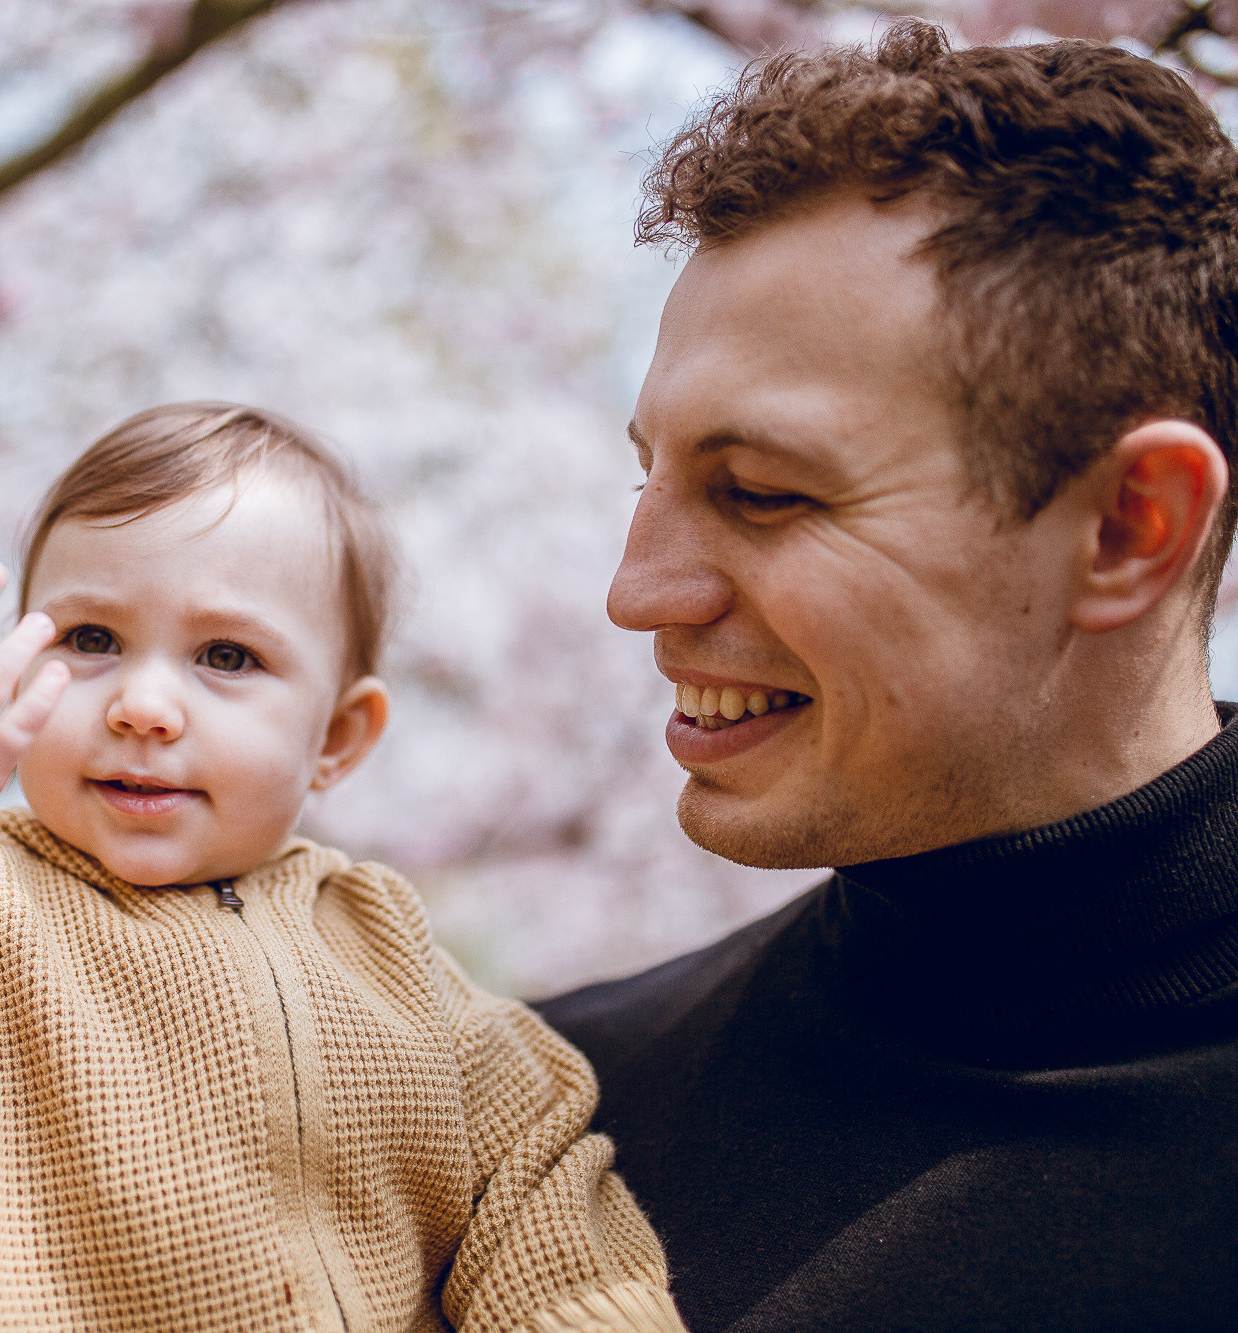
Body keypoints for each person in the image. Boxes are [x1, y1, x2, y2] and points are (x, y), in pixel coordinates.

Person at [0, 404, 684, 1333]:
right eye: (90, 640)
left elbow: (540, 1216)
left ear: (338, 738)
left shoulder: (389, 955)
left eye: (226, 657)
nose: (142, 707)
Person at [537, 21, 1238, 1331]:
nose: (637, 593)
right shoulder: (554, 1117)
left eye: (759, 491)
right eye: (655, 474)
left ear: (1129, 524)